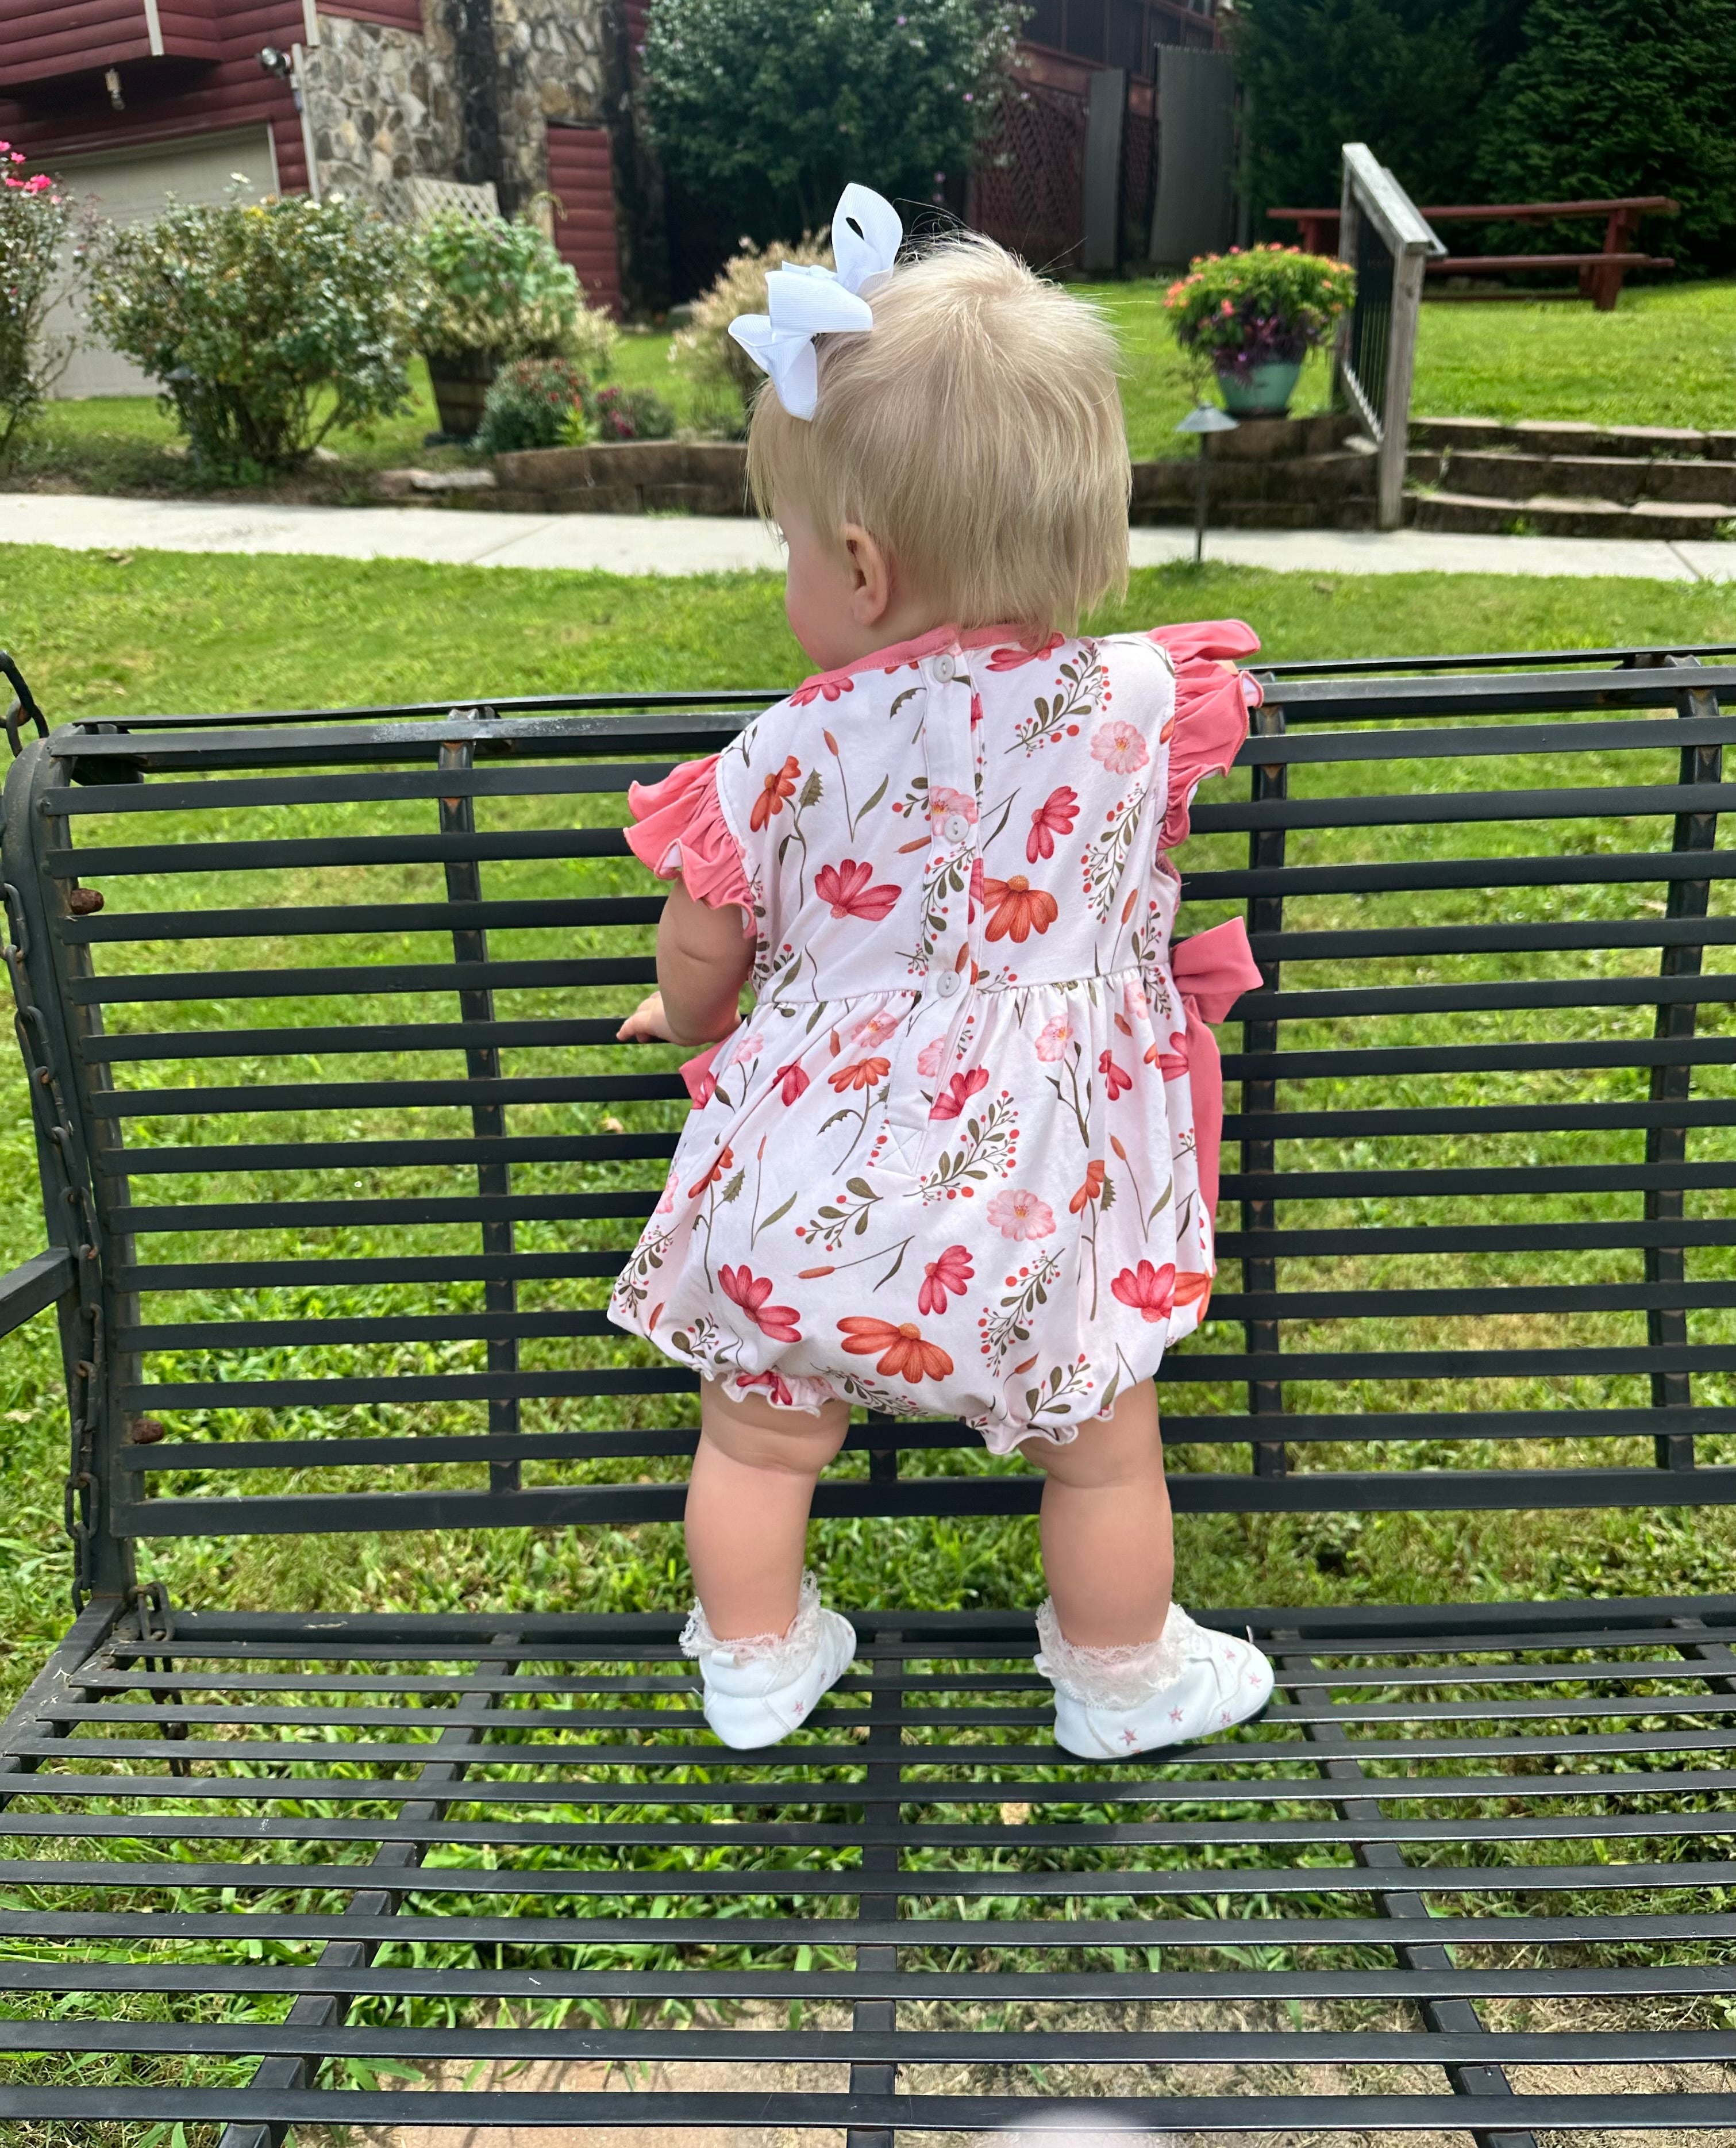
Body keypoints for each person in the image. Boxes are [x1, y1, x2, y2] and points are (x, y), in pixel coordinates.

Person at [609, 184, 1274, 1758]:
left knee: (758, 1439)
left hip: (811, 1189)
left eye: (787, 548)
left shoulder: (775, 754)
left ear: (859, 563)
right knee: (1103, 1450)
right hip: (1055, 1191)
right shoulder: (1141, 700)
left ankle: (758, 1660)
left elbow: (706, 952)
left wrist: (685, 1013)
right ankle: (1119, 1677)